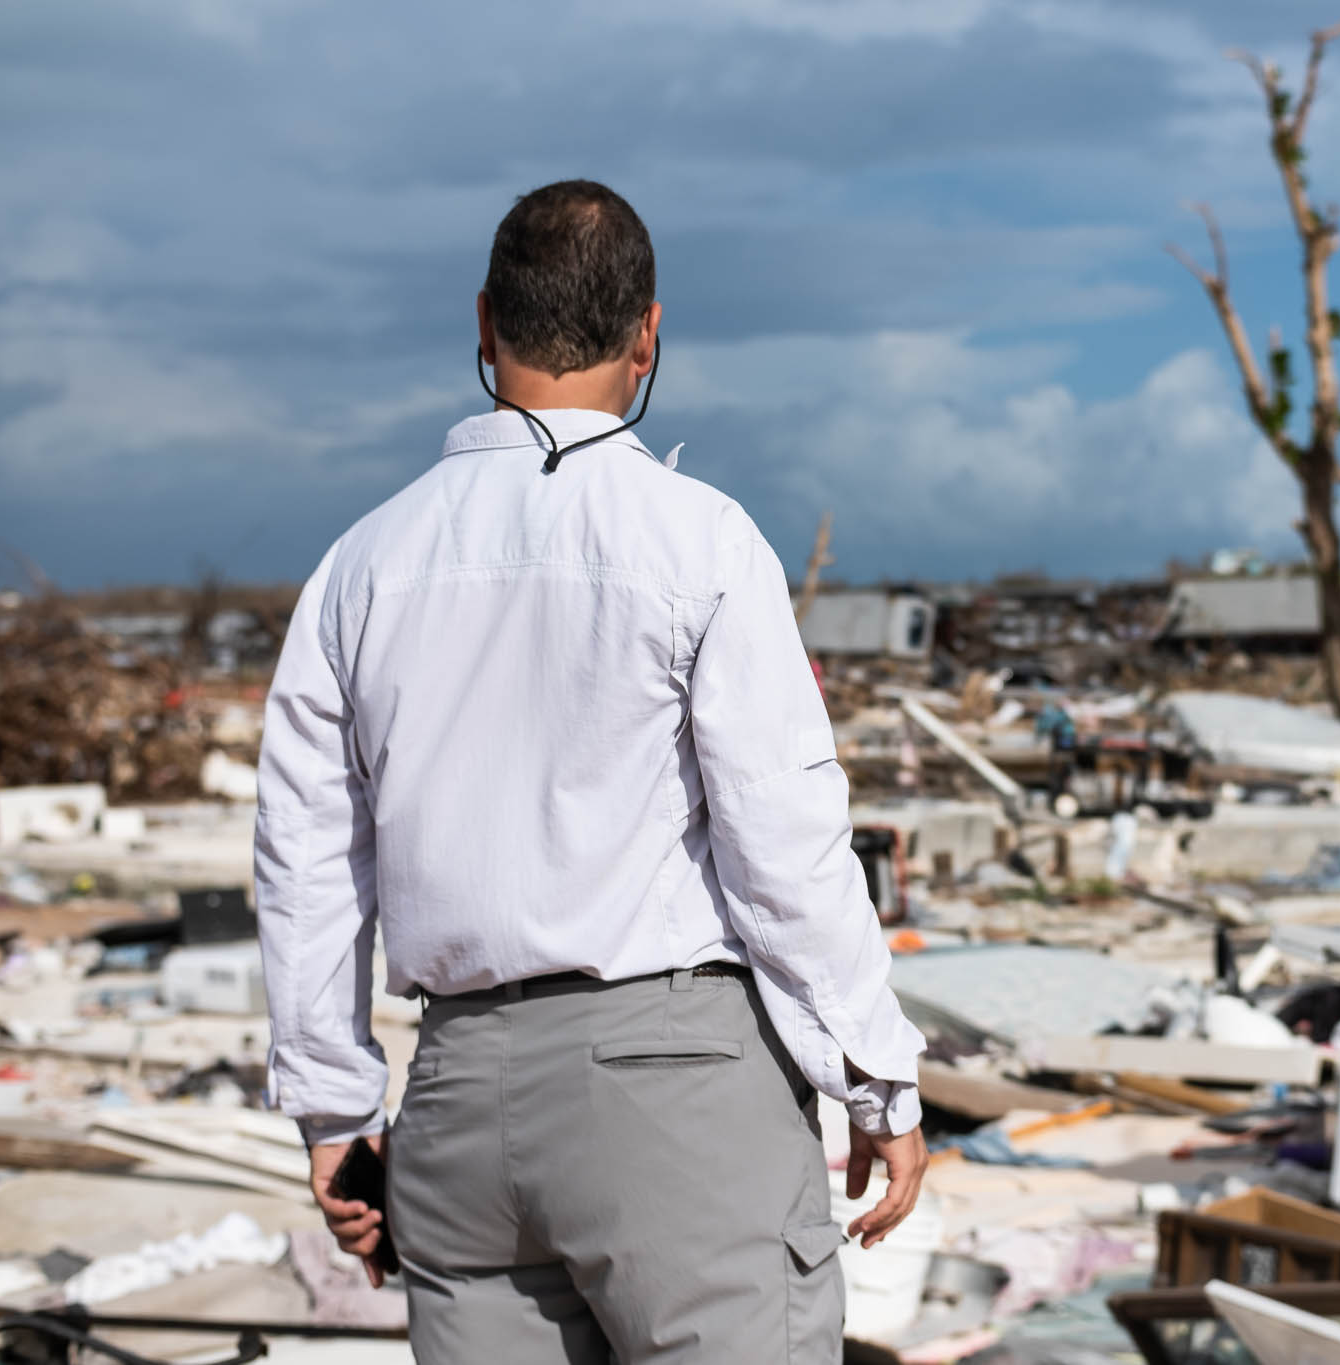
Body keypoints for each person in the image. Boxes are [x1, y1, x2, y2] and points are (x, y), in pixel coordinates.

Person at [255, 179, 927, 1363]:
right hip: (673, 1087)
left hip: (458, 1095)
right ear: (646, 335)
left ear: (484, 325)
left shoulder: (357, 568)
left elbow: (306, 864)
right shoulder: (699, 539)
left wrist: (333, 1114)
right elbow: (782, 844)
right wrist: (874, 1077)